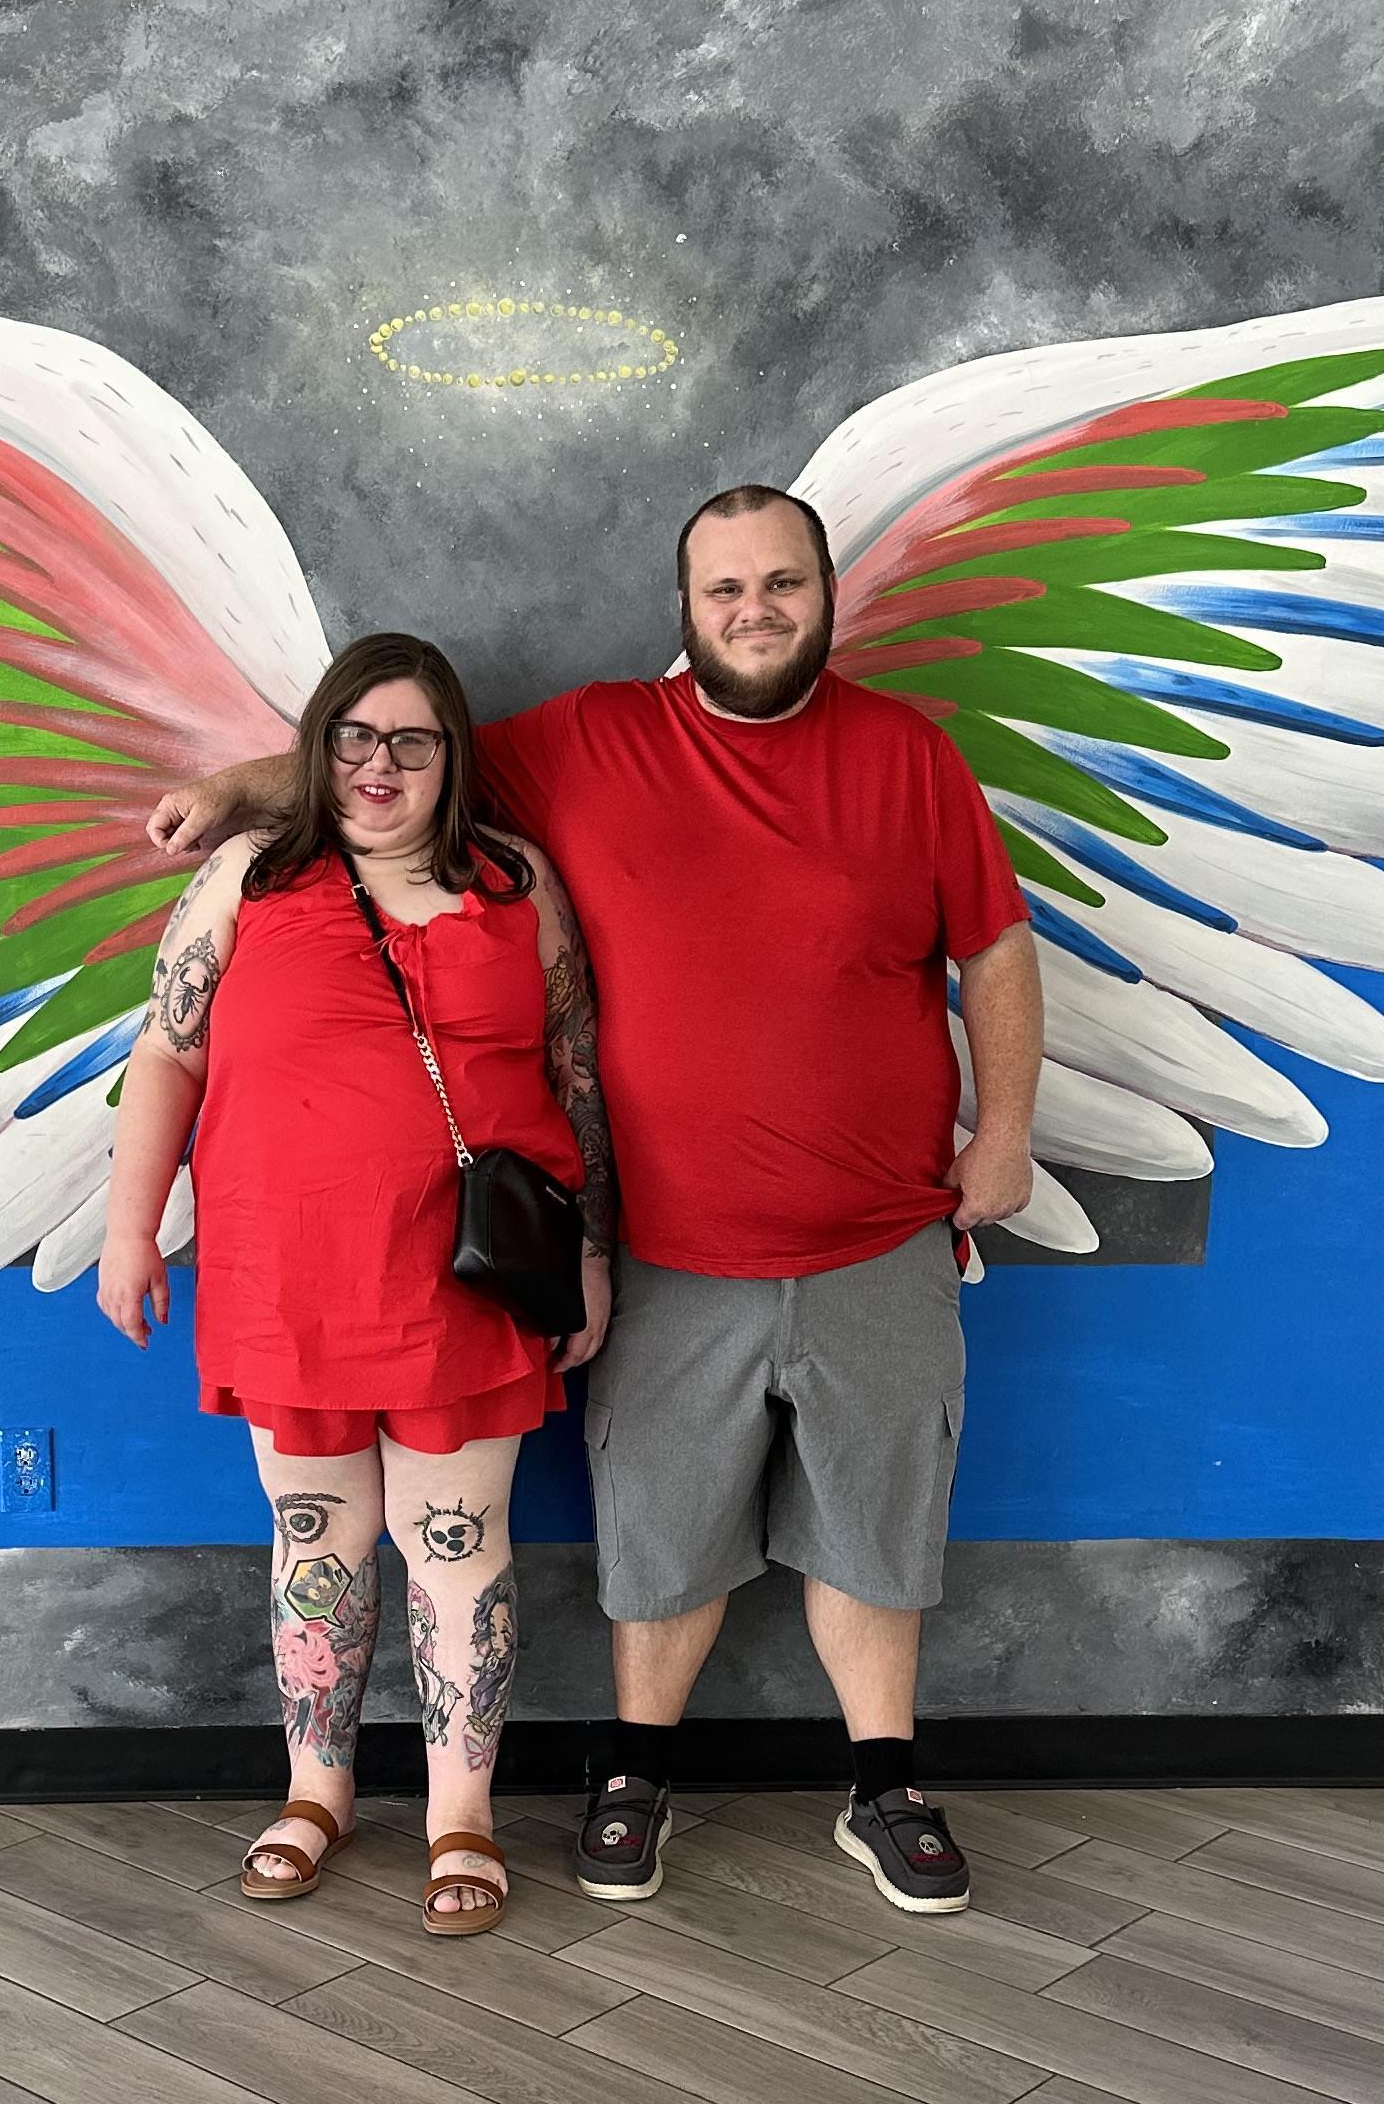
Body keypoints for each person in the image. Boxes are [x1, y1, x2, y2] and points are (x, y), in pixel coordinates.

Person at [152, 489, 1039, 1918]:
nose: (755, 608)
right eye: (725, 588)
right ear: (683, 609)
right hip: (675, 1243)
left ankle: (886, 1787)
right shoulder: (594, 740)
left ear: (828, 591)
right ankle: (635, 1775)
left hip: (882, 1224)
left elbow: (994, 947)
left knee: (878, 1526)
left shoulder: (909, 756)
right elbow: (386, 762)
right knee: (662, 1529)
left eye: (782, 582)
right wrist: (250, 790)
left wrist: (1005, 1134)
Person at [97, 631, 614, 1935]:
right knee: (316, 1543)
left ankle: (460, 1817)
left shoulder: (518, 885)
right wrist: (128, 1227)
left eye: (413, 742)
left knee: (457, 1549)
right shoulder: (244, 880)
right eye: (354, 739)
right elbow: (168, 1053)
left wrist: (593, 1251)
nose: (380, 767)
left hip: (471, 1286)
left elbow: (576, 1074)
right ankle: (316, 1790)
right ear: (320, 752)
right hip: (287, 1282)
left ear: (453, 761)